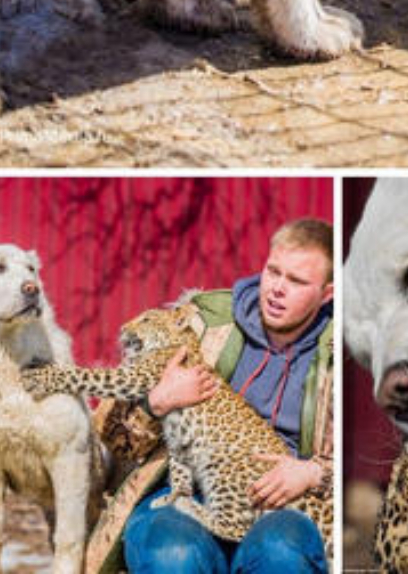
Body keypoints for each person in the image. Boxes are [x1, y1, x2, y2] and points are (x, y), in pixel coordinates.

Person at [84, 218, 334, 574]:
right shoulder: (202, 324)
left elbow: (364, 466)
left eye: (296, 281)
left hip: (284, 504)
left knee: (282, 555)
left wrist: (314, 472)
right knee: (173, 555)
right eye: (273, 271)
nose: (277, 288)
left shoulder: (338, 355)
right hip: (184, 489)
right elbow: (112, 437)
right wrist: (157, 403)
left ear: (326, 294)